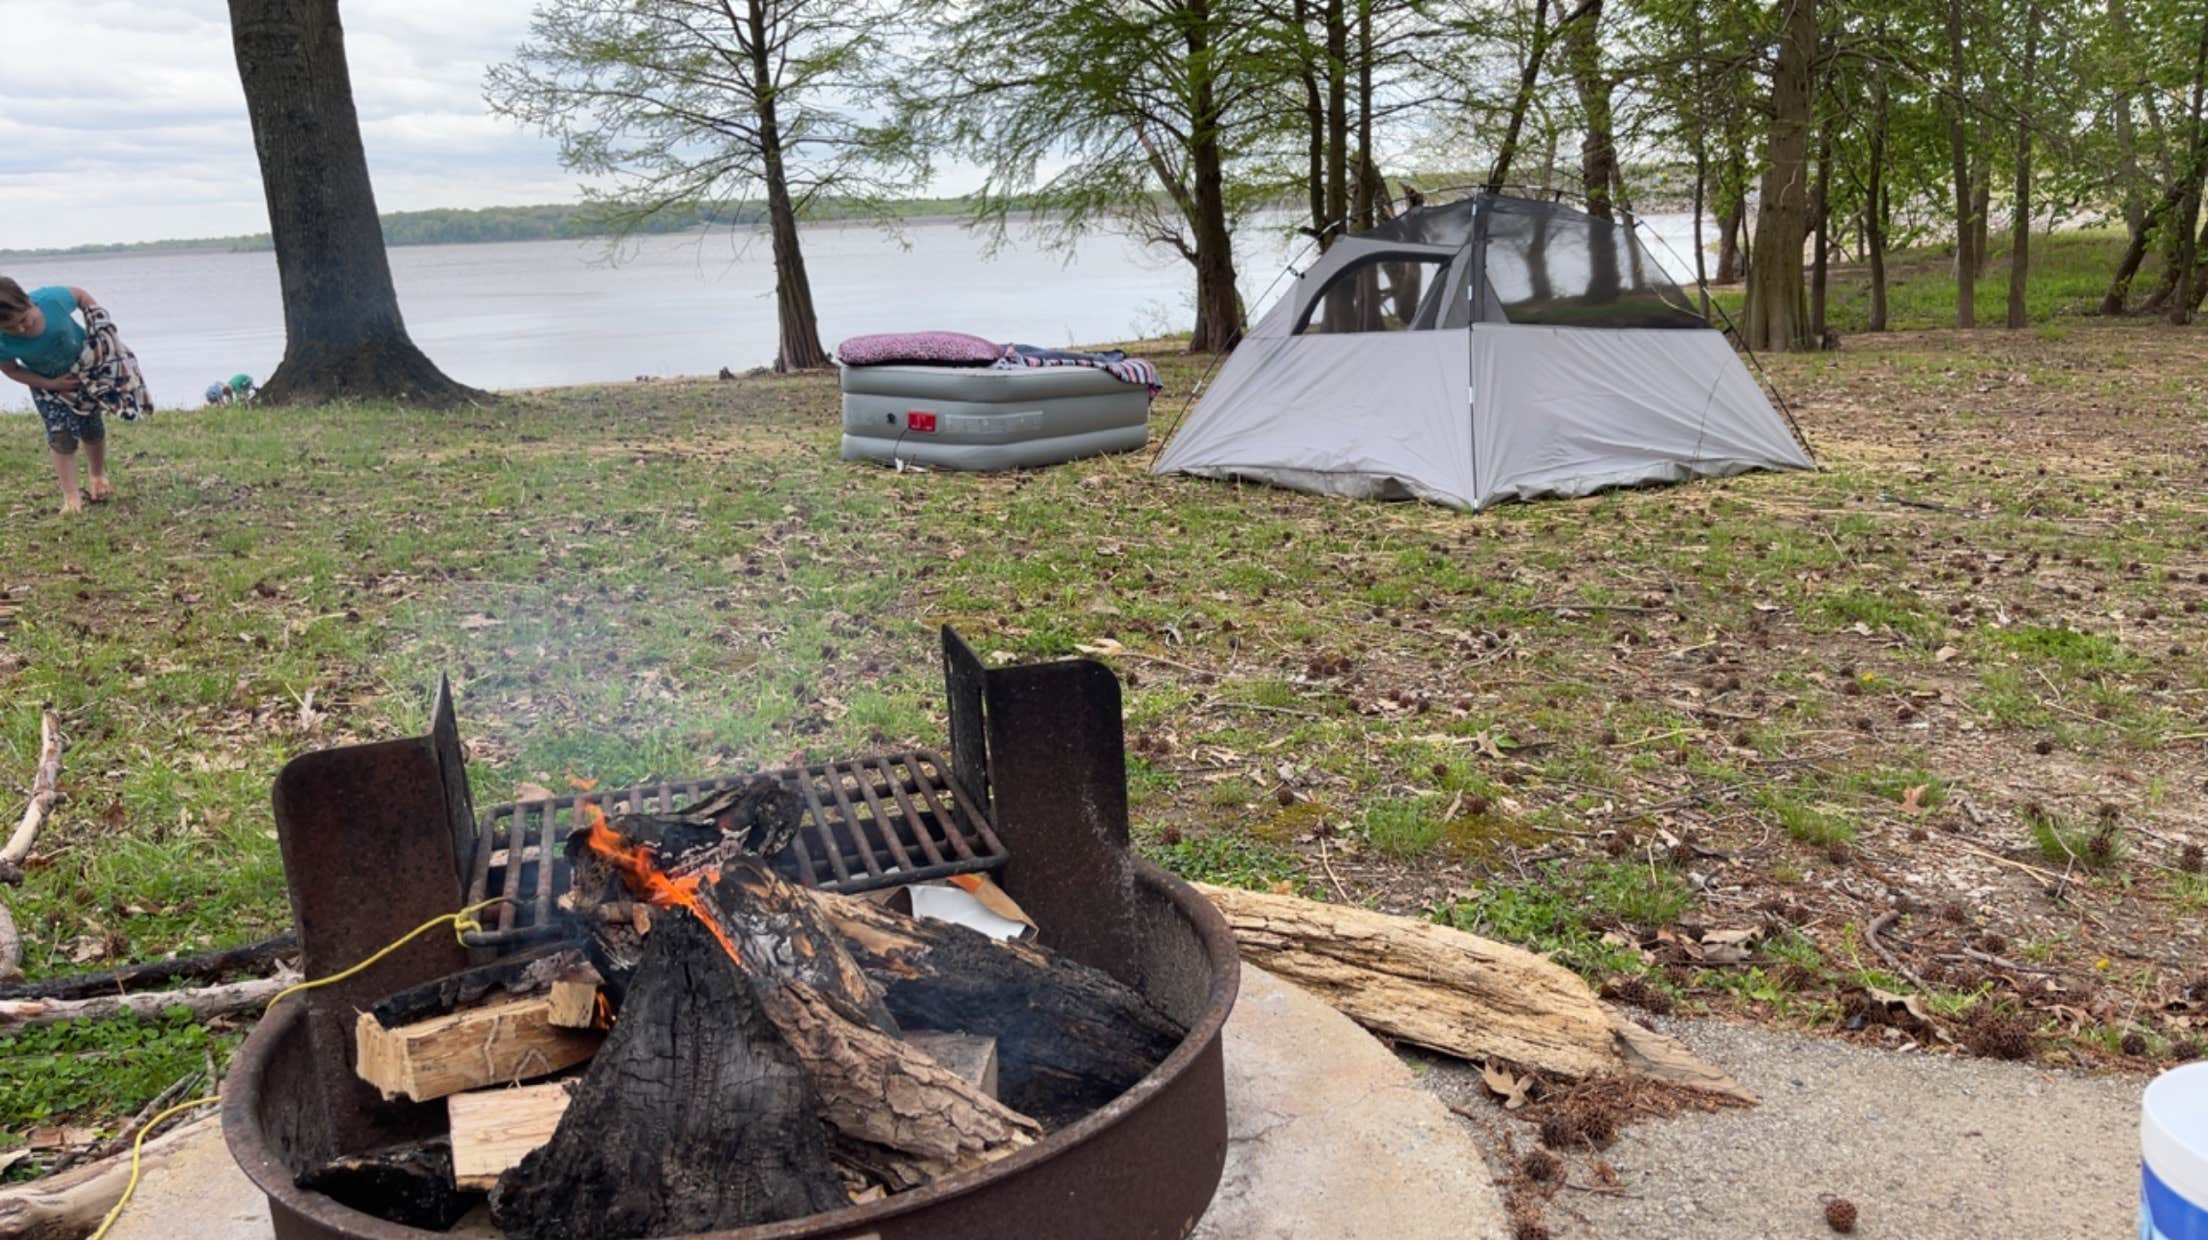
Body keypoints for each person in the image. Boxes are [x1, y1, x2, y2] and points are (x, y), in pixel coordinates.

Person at [0, 277, 150, 514]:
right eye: (10, 328)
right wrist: (51, 383)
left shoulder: (51, 300)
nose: (20, 329)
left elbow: (81, 295)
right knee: (61, 435)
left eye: (23, 320)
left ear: (28, 302)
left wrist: (97, 323)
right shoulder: (2, 341)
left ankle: (97, 474)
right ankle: (71, 496)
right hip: (47, 384)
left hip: (84, 371)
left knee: (92, 429)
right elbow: (12, 370)